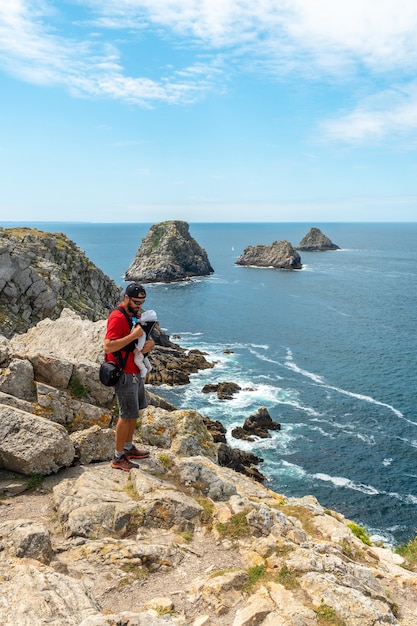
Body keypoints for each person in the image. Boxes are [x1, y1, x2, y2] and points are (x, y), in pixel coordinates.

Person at [104, 283, 155, 471]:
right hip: (123, 371)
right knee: (125, 416)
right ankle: (118, 457)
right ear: (126, 298)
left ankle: (128, 447)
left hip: (134, 370)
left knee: (134, 413)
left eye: (141, 302)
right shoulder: (117, 317)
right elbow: (108, 346)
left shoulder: (134, 315)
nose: (138, 306)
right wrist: (133, 335)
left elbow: (136, 343)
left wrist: (149, 345)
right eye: (135, 302)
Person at [132, 309, 158, 377]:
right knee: (144, 357)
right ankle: (148, 367)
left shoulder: (140, 329)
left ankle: (144, 369)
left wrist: (138, 348)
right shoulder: (141, 327)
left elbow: (142, 338)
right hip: (130, 369)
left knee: (137, 360)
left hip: (138, 350)